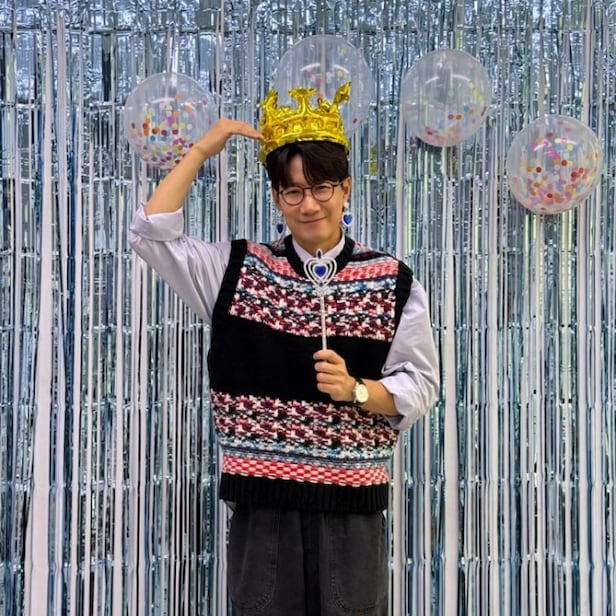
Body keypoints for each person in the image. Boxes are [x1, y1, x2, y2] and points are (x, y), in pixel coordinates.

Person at [129, 85, 439, 616]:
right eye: (292, 191)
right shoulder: (238, 271)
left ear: (345, 189)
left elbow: (421, 384)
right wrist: (201, 150)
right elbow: (151, 234)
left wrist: (358, 390)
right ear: (276, 198)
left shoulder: (391, 279)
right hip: (263, 512)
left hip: (352, 512)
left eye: (321, 187)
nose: (309, 204)